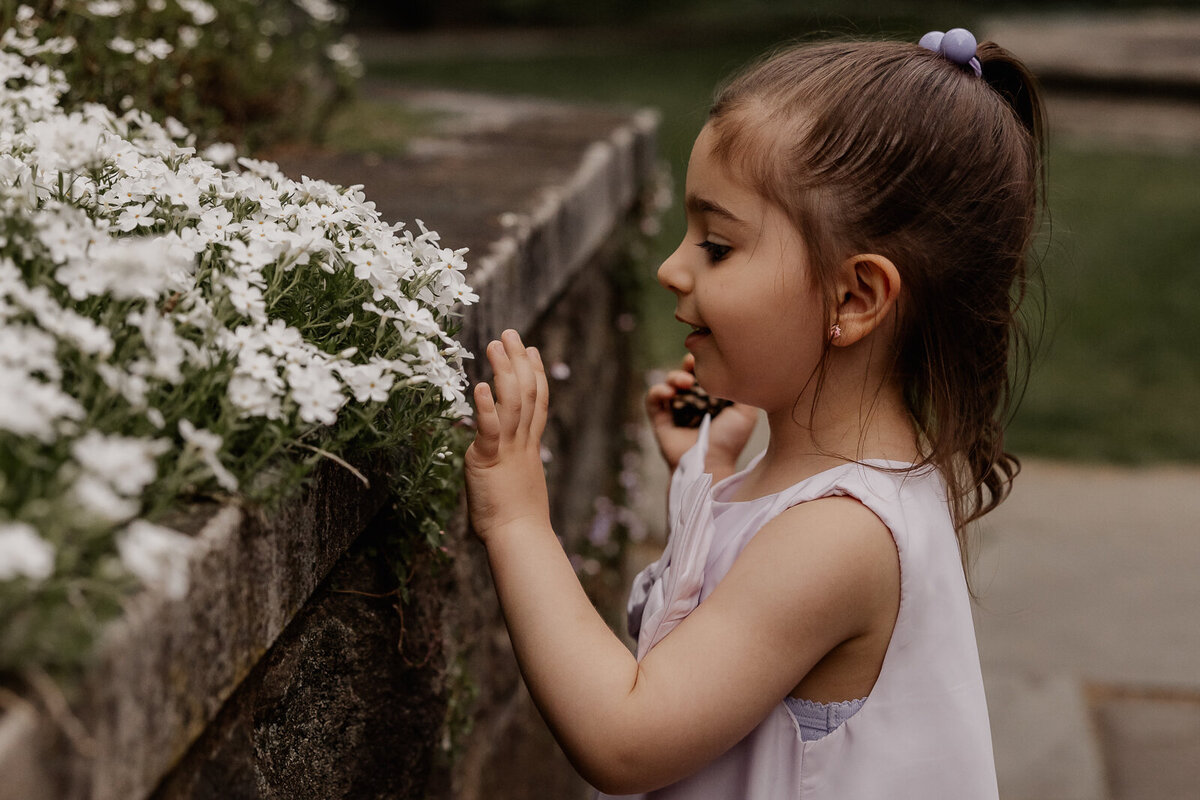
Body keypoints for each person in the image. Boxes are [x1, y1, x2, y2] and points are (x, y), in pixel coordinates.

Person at [464, 27, 1044, 798]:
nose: (672, 268)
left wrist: (518, 522)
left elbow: (626, 737)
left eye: (717, 245)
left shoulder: (838, 537)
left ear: (855, 297)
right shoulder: (837, 492)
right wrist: (705, 475)